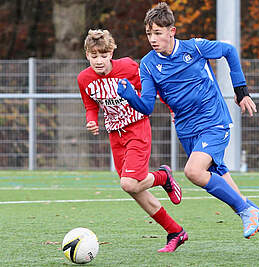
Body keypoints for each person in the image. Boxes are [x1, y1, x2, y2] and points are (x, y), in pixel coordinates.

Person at [117, 2, 259, 258]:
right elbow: (146, 106)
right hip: (187, 132)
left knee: (193, 171)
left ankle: (248, 213)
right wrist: (129, 95)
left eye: (158, 33)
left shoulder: (195, 47)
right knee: (235, 196)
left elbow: (229, 51)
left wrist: (240, 90)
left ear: (172, 31)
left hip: (213, 121)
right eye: (149, 34)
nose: (153, 39)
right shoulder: (147, 64)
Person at [77, 29, 187, 252]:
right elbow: (90, 105)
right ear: (87, 55)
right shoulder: (84, 78)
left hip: (137, 127)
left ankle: (163, 176)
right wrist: (91, 120)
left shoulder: (127, 67)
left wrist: (171, 107)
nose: (99, 61)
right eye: (94, 56)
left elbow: (153, 85)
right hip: (115, 135)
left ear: (112, 53)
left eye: (104, 55)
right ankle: (175, 231)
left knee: (128, 182)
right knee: (134, 188)